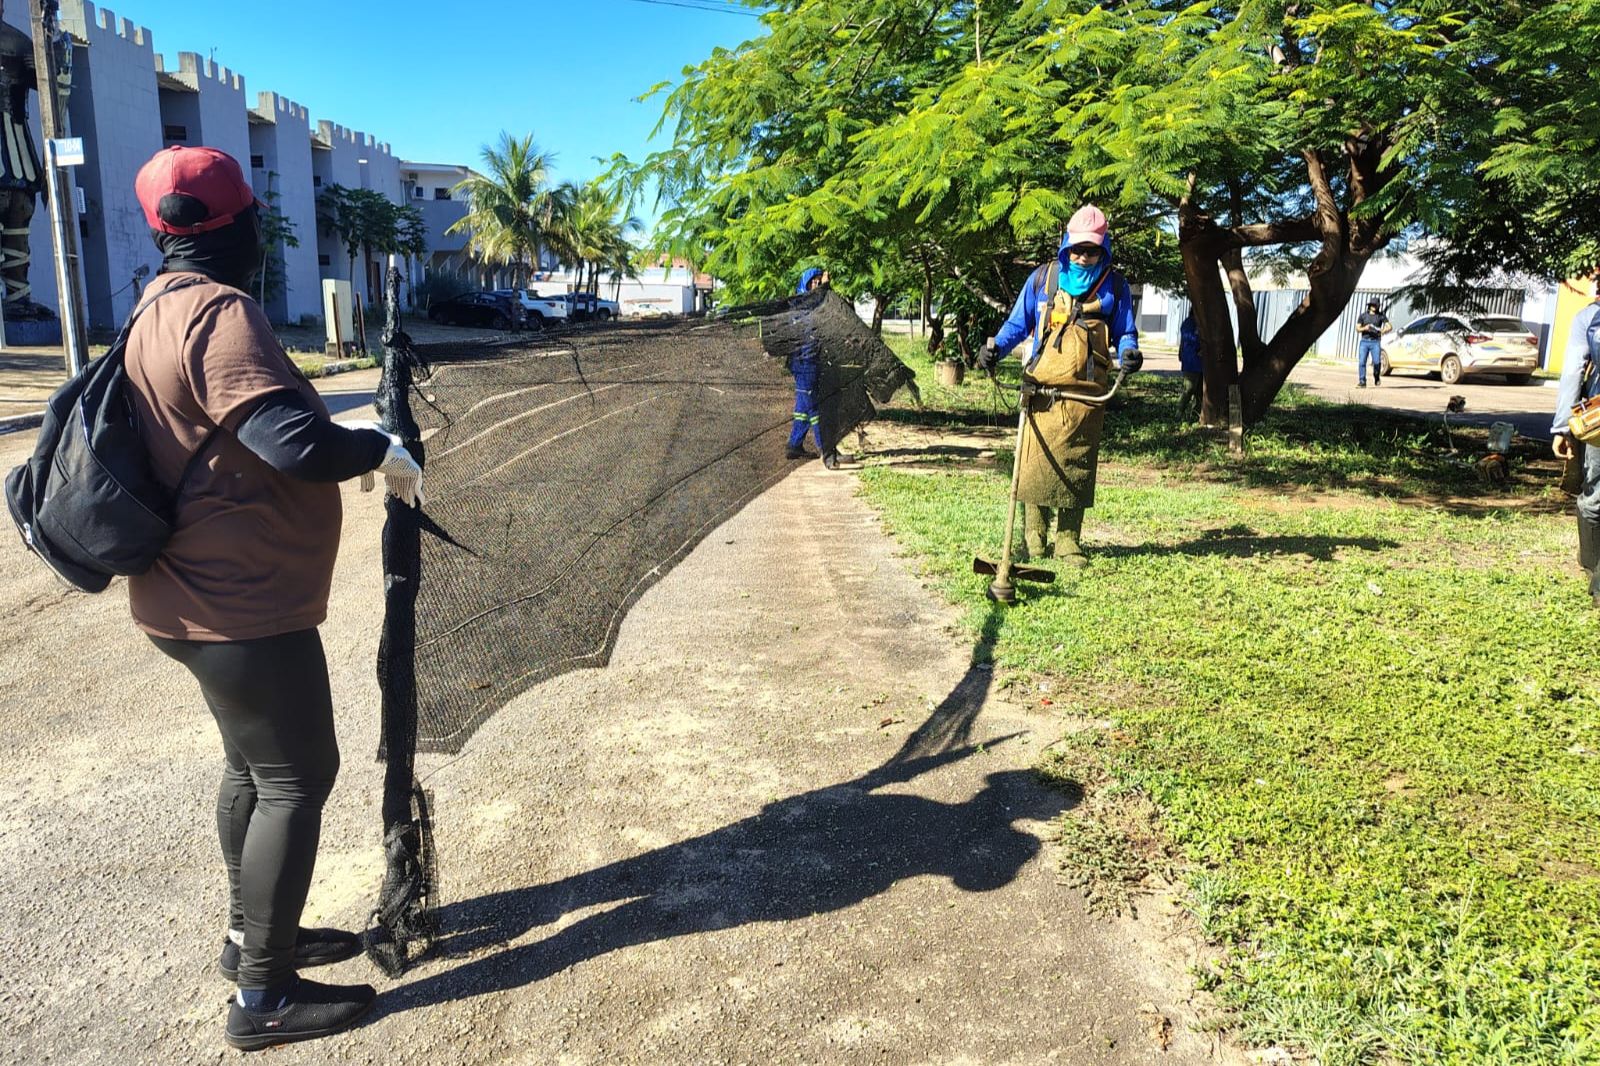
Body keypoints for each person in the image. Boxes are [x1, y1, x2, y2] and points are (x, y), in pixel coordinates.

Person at [123, 146, 422, 1051]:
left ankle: (252, 937)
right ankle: (264, 998)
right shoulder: (220, 313)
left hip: (187, 595)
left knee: (254, 770)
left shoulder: (154, 305)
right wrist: (380, 447)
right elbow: (293, 443)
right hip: (238, 605)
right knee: (298, 776)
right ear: (242, 225)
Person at [978, 204, 1141, 567]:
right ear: (1067, 245)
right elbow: (1016, 325)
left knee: (1076, 464)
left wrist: (1130, 353)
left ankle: (1068, 541)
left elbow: (1125, 332)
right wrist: (993, 350)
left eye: (1092, 249)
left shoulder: (1115, 285)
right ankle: (1033, 539)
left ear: (1105, 248)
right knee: (1034, 463)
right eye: (1078, 249)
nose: (1084, 256)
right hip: (1040, 388)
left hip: (1086, 393)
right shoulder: (1043, 279)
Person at [1551, 284, 1600, 606]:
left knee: (1596, 494)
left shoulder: (1590, 318)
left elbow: (1572, 371)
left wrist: (1561, 427)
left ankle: (1594, 571)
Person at [787, 266, 843, 469]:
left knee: (803, 408)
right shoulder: (803, 304)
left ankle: (794, 445)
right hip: (804, 363)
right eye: (814, 280)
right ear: (806, 282)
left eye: (819, 280)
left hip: (811, 363)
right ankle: (829, 453)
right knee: (816, 409)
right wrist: (826, 287)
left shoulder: (810, 302)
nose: (817, 283)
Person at [1356, 298, 1390, 387]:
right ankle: (1362, 381)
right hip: (1364, 341)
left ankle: (1376, 376)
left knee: (1377, 362)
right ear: (1369, 306)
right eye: (1373, 305)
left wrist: (1384, 330)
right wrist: (1365, 328)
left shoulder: (1381, 315)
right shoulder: (1363, 316)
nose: (1374, 306)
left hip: (1375, 342)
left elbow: (1389, 326)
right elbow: (1358, 328)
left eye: (1376, 305)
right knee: (1362, 362)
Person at [1178, 311, 1204, 420]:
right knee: (1189, 389)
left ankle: (1195, 414)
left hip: (1199, 363)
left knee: (1199, 392)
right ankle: (1179, 412)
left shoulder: (1199, 324)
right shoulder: (1190, 324)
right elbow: (1189, 340)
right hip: (1191, 362)